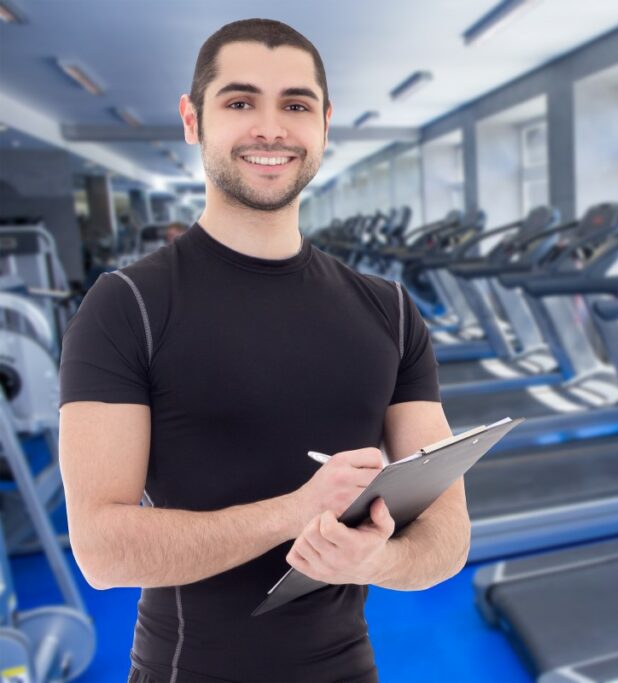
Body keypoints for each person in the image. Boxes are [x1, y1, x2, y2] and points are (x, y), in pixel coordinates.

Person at [58, 18, 469, 683]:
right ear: (193, 120)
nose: (272, 128)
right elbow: (102, 552)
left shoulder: (390, 311)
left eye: (296, 105)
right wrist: (294, 511)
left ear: (325, 125)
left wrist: (374, 562)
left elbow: (448, 537)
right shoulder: (126, 306)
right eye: (241, 101)